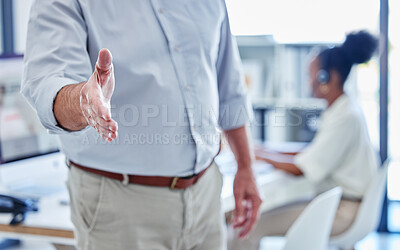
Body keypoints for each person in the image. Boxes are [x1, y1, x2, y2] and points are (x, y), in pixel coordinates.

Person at [21, 1, 262, 249]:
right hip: (120, 205)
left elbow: (229, 85)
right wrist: (84, 100)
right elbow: (49, 85)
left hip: (207, 194)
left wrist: (246, 166)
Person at [229, 30, 380, 250]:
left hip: (344, 211)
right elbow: (312, 152)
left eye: (311, 74)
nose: (308, 81)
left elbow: (302, 168)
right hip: (345, 203)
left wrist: (254, 155)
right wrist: (263, 151)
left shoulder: (345, 117)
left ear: (326, 78)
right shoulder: (344, 109)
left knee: (250, 225)